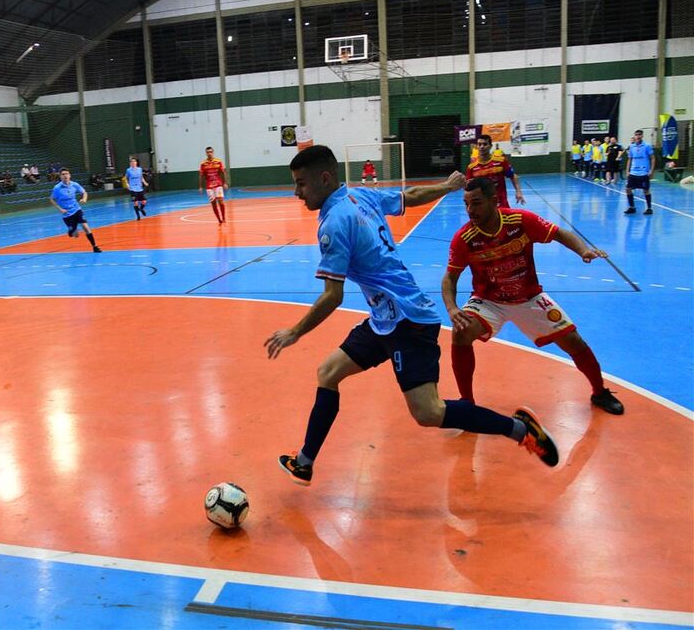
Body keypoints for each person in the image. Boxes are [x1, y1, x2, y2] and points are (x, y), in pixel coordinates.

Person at [265, 145, 559, 487]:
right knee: (328, 372)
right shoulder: (361, 196)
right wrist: (446, 188)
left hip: (408, 319)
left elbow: (333, 296)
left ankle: (522, 430)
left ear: (325, 178)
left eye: (301, 183)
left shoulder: (333, 223)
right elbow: (411, 196)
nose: (297, 192)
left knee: (429, 413)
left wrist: (295, 332)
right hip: (384, 320)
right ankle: (304, 462)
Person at [441, 177, 624, 416]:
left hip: (529, 297)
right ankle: (467, 402)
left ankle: (599, 392)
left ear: (494, 200)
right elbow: (449, 278)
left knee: (574, 341)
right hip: (489, 301)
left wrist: (583, 250)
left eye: (476, 203)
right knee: (461, 331)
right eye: (466, 204)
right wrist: (453, 309)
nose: (470, 210)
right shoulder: (464, 238)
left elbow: (559, 234)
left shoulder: (520, 221)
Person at [465, 133, 524, 208]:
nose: (482, 147)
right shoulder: (471, 167)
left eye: (485, 144)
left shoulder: (500, 161)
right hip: (483, 207)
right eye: (479, 144)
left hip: (501, 204)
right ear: (477, 146)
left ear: (490, 146)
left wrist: (518, 191)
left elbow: (513, 176)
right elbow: (468, 187)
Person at [50, 169, 101, 253]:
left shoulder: (74, 184)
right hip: (67, 214)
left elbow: (84, 192)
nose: (65, 175)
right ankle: (71, 230)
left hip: (77, 209)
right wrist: (60, 209)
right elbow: (52, 199)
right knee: (75, 235)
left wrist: (84, 199)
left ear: (69, 175)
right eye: (63, 174)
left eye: (67, 173)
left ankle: (95, 246)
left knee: (86, 227)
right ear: (60, 176)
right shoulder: (57, 188)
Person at [624, 129, 655, 215]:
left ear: (642, 136)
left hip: (643, 172)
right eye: (636, 134)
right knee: (628, 189)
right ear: (634, 136)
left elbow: (652, 158)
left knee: (646, 190)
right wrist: (627, 171)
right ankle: (632, 207)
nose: (638, 136)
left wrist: (651, 171)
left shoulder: (647, 146)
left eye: (639, 135)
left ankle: (649, 208)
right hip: (633, 172)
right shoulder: (632, 147)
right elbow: (630, 159)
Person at [199, 146, 229, 224]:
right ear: (206, 153)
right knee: (213, 203)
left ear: (213, 152)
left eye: (211, 152)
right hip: (209, 186)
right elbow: (201, 175)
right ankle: (219, 220)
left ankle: (224, 218)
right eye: (208, 152)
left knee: (221, 202)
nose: (209, 153)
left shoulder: (218, 161)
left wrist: (225, 183)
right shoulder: (203, 164)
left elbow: (223, 172)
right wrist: (200, 187)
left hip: (218, 184)